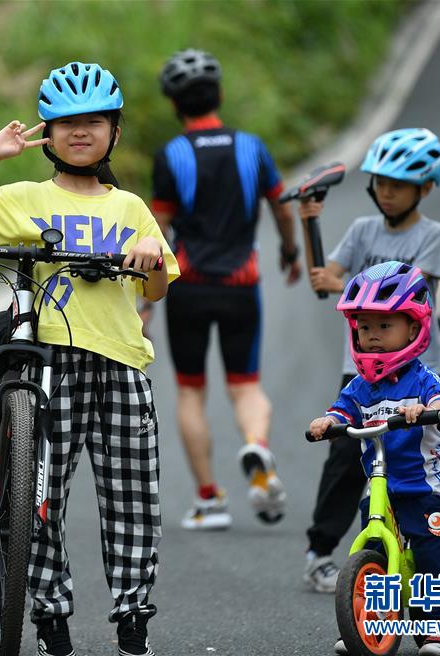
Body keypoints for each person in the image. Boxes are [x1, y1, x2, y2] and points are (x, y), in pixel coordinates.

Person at [0, 61, 179, 656]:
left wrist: (151, 248)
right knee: (37, 499)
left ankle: (133, 617)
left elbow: (156, 289)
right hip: (47, 364)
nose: (80, 132)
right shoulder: (25, 197)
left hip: (121, 365)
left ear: (114, 132)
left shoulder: (130, 207)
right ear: (47, 133)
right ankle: (49, 618)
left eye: (94, 122)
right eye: (67, 123)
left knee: (133, 500)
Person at [299, 128, 440, 594]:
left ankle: (427, 559)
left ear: (425, 188)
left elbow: (411, 292)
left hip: (417, 372)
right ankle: (320, 553)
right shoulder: (363, 230)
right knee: (344, 462)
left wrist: (351, 288)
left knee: (427, 463)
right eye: (381, 182)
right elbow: (325, 279)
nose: (387, 192)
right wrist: (309, 223)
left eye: (399, 185)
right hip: (362, 371)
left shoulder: (434, 236)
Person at [151, 48, 301, 530]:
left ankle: (209, 500)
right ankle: (256, 447)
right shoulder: (252, 148)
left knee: (191, 392)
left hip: (188, 288)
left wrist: (142, 300)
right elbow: (281, 206)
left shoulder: (171, 155)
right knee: (246, 386)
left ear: (176, 104)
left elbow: (157, 228)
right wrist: (291, 251)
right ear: (219, 96)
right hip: (242, 286)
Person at [308, 261, 440, 656]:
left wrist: (426, 410)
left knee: (431, 556)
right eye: (365, 327)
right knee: (372, 553)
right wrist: (328, 422)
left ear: (413, 328)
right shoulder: (361, 386)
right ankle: (366, 627)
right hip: (380, 489)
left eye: (384, 326)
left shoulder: (422, 378)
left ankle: (438, 631)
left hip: (421, 488)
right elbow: (342, 410)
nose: (372, 336)